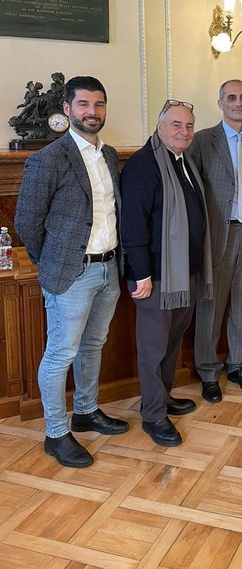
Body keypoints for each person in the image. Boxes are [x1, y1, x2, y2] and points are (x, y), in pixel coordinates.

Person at [15, 76, 128, 468]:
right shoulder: (48, 158)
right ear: (67, 108)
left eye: (98, 104)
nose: (91, 112)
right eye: (83, 104)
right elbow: (27, 221)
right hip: (70, 274)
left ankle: (86, 410)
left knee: (93, 344)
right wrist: (51, 261)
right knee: (61, 352)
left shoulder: (109, 154)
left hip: (109, 268)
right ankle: (56, 433)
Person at [120, 100, 212, 447]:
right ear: (159, 128)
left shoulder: (183, 160)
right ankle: (153, 415)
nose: (183, 132)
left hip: (185, 272)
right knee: (154, 347)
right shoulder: (143, 165)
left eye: (188, 126)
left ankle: (163, 396)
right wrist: (141, 273)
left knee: (173, 341)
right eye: (176, 125)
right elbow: (133, 223)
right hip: (156, 277)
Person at [191, 80, 242, 402]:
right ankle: (208, 372)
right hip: (217, 235)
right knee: (211, 306)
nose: (239, 102)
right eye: (232, 97)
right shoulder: (201, 140)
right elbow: (192, 192)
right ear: (220, 103)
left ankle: (238, 365)